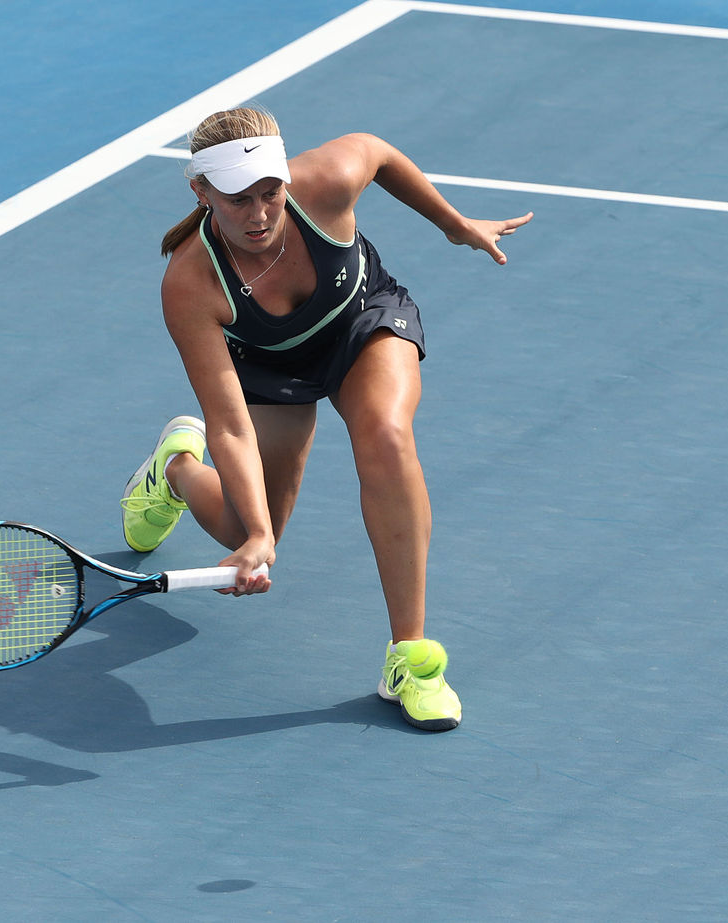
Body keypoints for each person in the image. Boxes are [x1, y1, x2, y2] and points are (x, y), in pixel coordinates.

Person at [120, 107, 531, 731]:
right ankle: (176, 468)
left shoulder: (327, 183)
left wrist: (452, 224)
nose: (259, 214)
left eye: (270, 192)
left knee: (387, 437)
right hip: (268, 366)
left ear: (287, 177)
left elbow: (378, 149)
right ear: (202, 192)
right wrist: (257, 534)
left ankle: (411, 660)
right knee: (246, 533)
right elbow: (228, 424)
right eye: (238, 201)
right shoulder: (189, 282)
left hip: (362, 323)